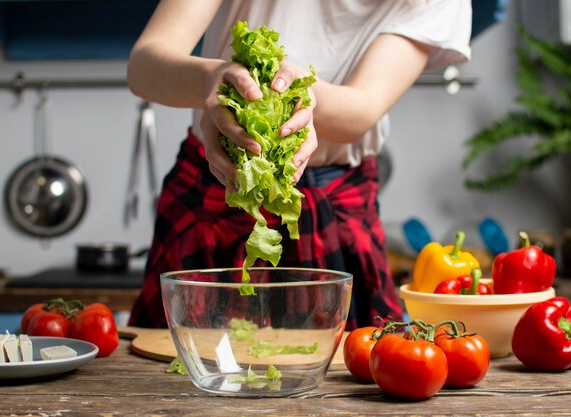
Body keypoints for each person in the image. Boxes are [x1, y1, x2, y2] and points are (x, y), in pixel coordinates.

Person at [126, 0, 472, 329]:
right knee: (174, 370)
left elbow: (363, 109)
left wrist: (303, 93)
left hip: (336, 205)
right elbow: (144, 67)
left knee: (343, 376)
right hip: (213, 192)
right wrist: (211, 77)